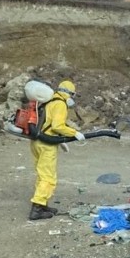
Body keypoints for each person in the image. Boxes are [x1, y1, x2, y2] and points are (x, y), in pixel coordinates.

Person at [29, 80, 85, 220]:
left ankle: (43, 204)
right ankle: (36, 209)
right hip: (46, 145)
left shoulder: (49, 100)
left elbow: (47, 123)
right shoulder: (60, 104)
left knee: (42, 175)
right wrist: (74, 133)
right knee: (48, 178)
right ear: (69, 93)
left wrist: (60, 142)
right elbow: (57, 126)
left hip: (36, 142)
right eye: (73, 95)